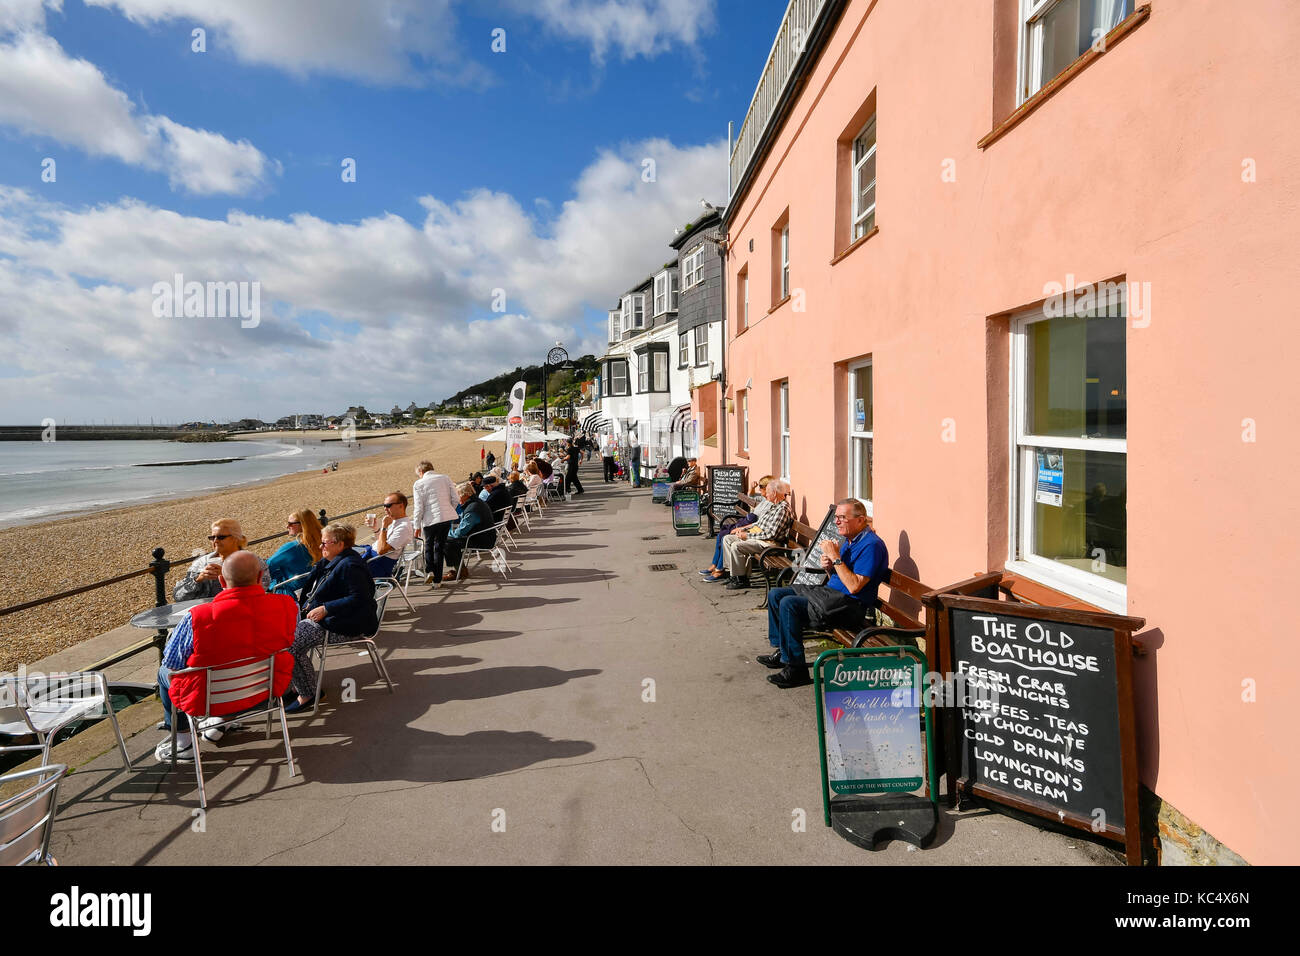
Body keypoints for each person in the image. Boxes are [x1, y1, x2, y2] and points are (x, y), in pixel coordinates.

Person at [154, 551, 297, 761]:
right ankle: (220, 721)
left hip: (207, 699)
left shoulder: (196, 617)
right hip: (265, 692)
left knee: (163, 672)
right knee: (242, 662)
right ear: (259, 578)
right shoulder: (287, 605)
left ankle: (184, 742)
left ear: (221, 580)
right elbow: (289, 642)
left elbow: (173, 663)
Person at [760, 499, 889, 689]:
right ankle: (783, 651)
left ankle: (796, 669)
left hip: (850, 606)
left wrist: (836, 557)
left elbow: (854, 587)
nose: (837, 522)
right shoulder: (850, 540)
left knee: (789, 604)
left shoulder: (872, 545)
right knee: (777, 594)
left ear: (861, 520)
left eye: (842, 518)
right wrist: (829, 568)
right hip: (832, 595)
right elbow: (839, 577)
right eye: (836, 517)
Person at [286, 523, 378, 713]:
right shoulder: (333, 560)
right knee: (282, 633)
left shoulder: (351, 565)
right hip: (331, 618)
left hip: (345, 624)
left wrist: (326, 608)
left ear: (340, 544)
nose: (321, 547)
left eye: (325, 543)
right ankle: (297, 683)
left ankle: (308, 693)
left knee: (290, 644)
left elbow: (361, 597)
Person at [720, 479, 793, 589]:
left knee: (737, 546)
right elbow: (759, 523)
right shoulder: (774, 505)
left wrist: (747, 536)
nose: (766, 495)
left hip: (768, 544)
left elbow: (771, 534)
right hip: (760, 538)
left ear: (774, 493)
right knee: (727, 539)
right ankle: (733, 574)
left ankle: (741, 579)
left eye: (767, 492)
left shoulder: (782, 509)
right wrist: (742, 529)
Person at [700, 475, 774, 582]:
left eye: (762, 487)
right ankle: (715, 564)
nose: (760, 490)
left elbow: (761, 525)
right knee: (722, 535)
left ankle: (720, 569)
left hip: (754, 530)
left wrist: (743, 529)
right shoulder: (765, 500)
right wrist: (752, 488)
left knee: (725, 537)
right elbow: (752, 497)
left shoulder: (772, 505)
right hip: (748, 524)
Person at [173, 518, 264, 602]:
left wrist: (228, 577)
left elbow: (262, 589)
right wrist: (198, 579)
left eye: (221, 537)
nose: (215, 541)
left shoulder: (252, 561)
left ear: (235, 538)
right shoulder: (201, 563)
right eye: (212, 537)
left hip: (241, 611)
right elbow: (178, 596)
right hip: (207, 612)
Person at [412, 460, 459, 586]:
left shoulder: (418, 484)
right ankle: (437, 581)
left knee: (428, 546)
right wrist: (449, 510)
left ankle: (429, 570)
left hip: (430, 519)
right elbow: (456, 498)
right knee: (439, 547)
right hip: (445, 518)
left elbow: (419, 507)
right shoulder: (445, 478)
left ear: (421, 472)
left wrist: (416, 525)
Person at [444, 481, 497, 579]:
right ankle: (460, 569)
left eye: (458, 495)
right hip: (485, 536)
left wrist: (446, 532)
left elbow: (460, 532)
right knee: (449, 540)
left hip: (482, 540)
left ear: (466, 495)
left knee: (447, 542)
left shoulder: (473, 508)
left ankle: (460, 571)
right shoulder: (477, 503)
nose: (456, 498)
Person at [266, 509, 323, 594]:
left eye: (290, 523)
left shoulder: (291, 548)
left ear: (302, 525)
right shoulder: (325, 542)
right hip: (316, 586)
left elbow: (266, 566)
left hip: (293, 590)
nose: (287, 526)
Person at [359, 491, 414, 578]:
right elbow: (381, 542)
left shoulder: (403, 527)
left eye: (388, 505)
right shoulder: (395, 521)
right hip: (372, 557)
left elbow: (381, 550)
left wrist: (384, 527)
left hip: (377, 564)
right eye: (384, 505)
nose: (385, 508)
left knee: (343, 562)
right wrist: (376, 528)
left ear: (401, 505)